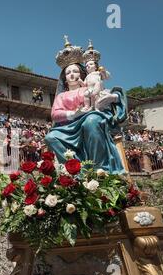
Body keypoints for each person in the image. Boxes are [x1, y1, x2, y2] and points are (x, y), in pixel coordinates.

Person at [44, 36, 127, 174]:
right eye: (68, 72)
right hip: (68, 127)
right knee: (51, 137)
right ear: (64, 78)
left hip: (90, 119)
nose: (72, 75)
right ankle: (77, 170)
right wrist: (73, 114)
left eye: (75, 71)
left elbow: (108, 95)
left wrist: (113, 97)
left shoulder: (89, 88)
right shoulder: (61, 96)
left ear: (82, 73)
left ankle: (100, 168)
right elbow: (55, 114)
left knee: (91, 121)